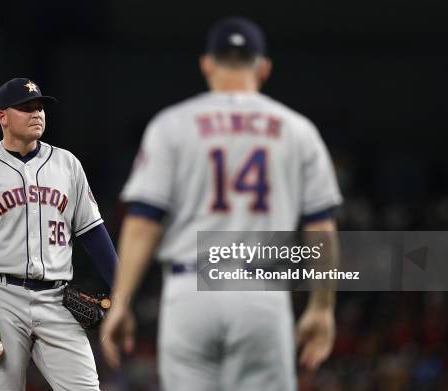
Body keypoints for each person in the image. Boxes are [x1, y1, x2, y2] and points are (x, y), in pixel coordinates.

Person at [100, 17, 342, 390]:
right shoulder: (297, 130)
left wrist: (121, 302)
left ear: (207, 64)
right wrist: (322, 308)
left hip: (189, 291)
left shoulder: (172, 124)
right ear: (263, 67)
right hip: (261, 294)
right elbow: (321, 227)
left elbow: (143, 222)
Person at [0, 77, 117, 391]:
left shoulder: (67, 164)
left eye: (39, 107)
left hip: (57, 297)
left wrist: (122, 288)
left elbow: (93, 233)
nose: (36, 113)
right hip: (0, 296)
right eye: (25, 108)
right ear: (2, 117)